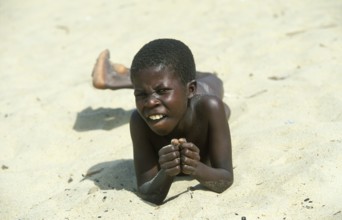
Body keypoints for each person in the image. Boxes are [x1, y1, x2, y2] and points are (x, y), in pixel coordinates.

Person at [91, 39, 234, 204]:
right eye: (140, 95)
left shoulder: (209, 107)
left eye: (162, 91)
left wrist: (195, 168)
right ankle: (118, 77)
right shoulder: (139, 122)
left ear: (191, 90)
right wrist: (166, 173)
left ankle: (116, 77)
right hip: (180, 94)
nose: (150, 102)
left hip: (204, 93)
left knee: (214, 82)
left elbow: (225, 178)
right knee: (162, 78)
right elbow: (147, 191)